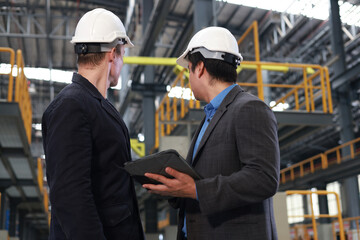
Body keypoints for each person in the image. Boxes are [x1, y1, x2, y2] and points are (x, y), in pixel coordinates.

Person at [142, 26, 280, 240]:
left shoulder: (250, 108)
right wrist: (175, 187)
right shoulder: (210, 117)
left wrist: (196, 190)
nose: (188, 78)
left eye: (188, 70)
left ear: (200, 68)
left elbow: (263, 178)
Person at [42, 8, 144, 240]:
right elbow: (71, 196)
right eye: (122, 53)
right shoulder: (71, 106)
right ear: (112, 53)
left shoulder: (94, 105)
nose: (123, 60)